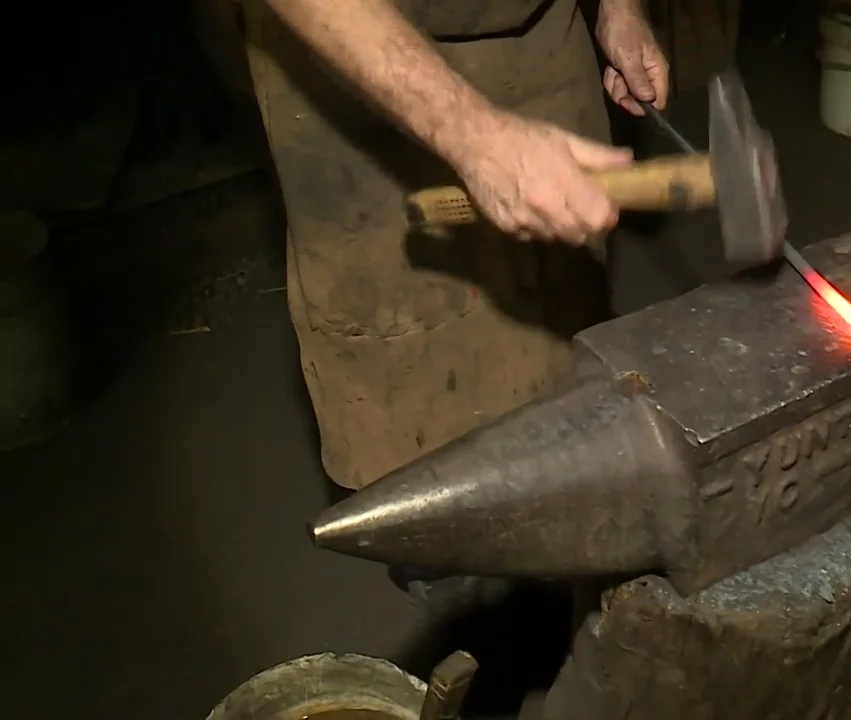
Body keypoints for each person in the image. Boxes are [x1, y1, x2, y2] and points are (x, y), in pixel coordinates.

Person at [242, 0, 670, 489]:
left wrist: (622, 8)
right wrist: (477, 138)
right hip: (347, 50)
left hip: (540, 42)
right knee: (416, 423)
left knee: (569, 372)